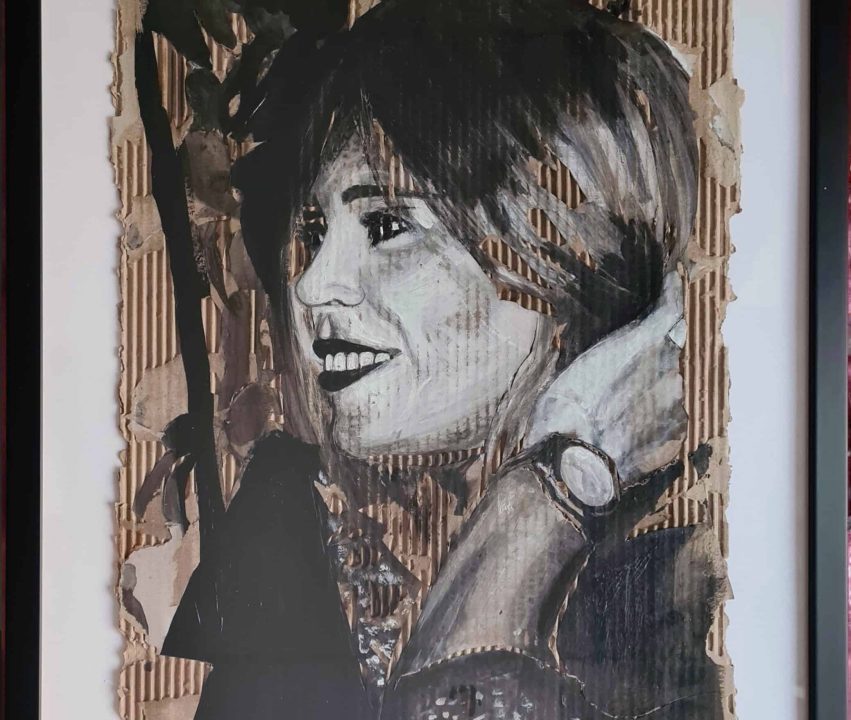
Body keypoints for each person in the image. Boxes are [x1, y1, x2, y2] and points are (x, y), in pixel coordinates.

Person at [162, 1, 727, 717]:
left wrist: (540, 508)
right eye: (315, 230)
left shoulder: (687, 569)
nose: (311, 285)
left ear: (572, 247)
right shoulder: (290, 507)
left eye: (386, 224)